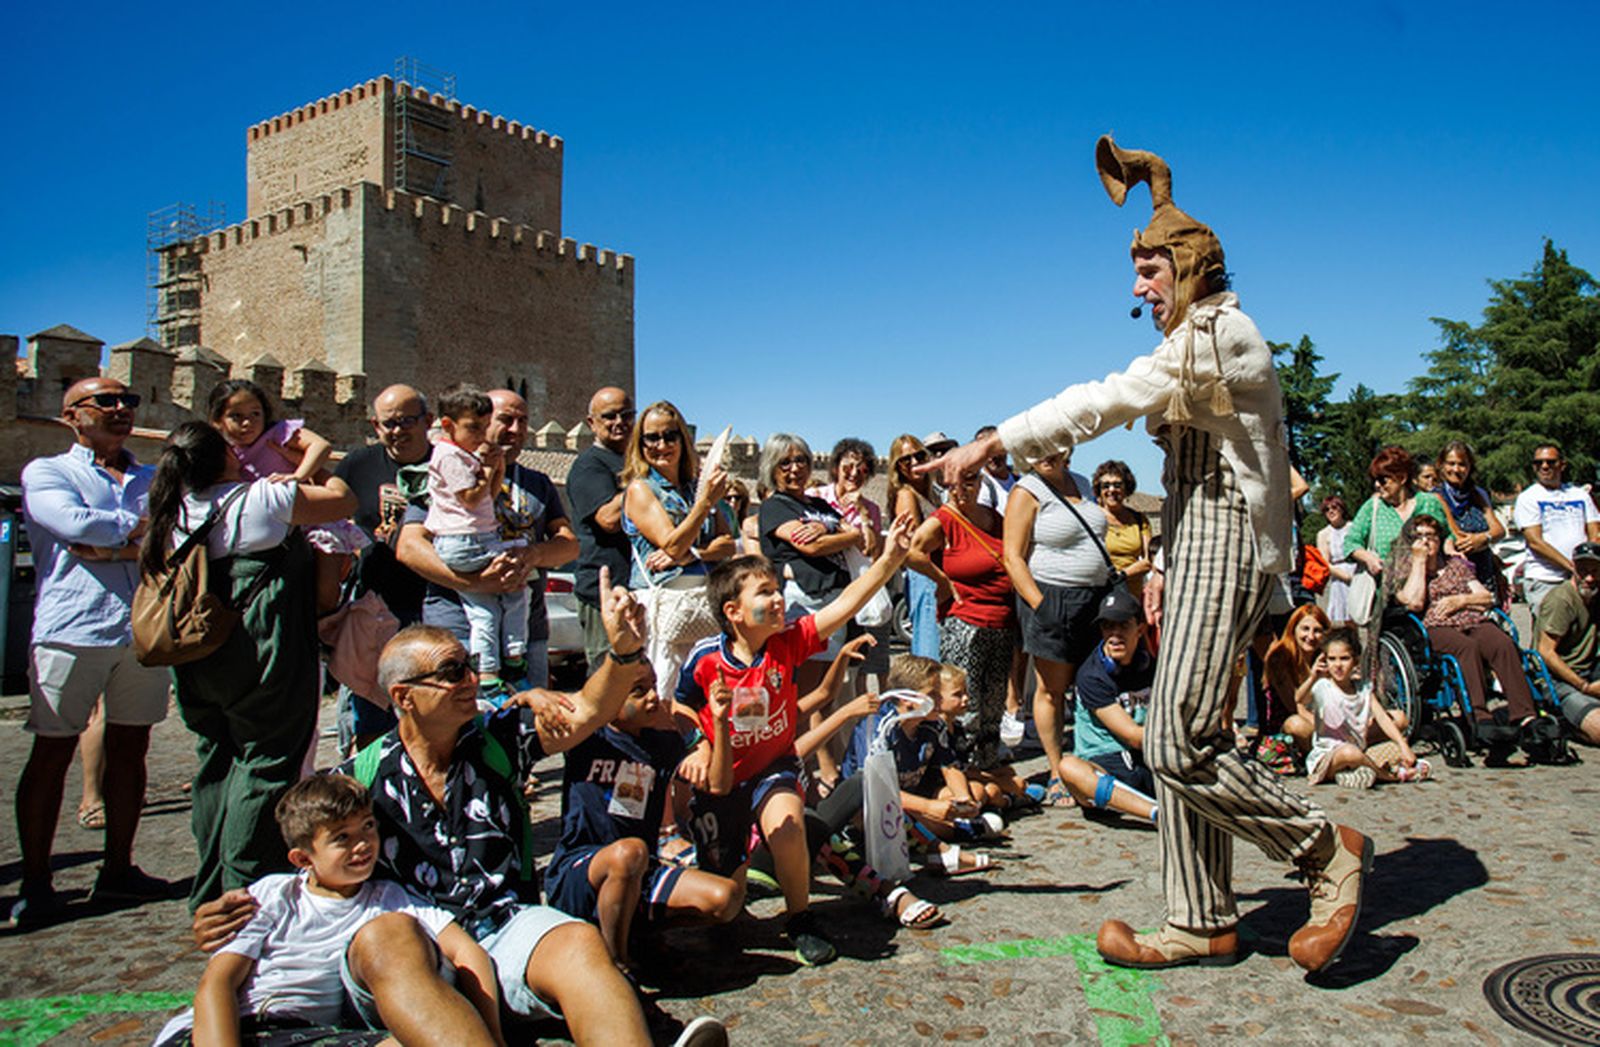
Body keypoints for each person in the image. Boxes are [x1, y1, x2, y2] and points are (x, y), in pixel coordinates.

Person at [928, 136, 1367, 973]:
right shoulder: (1198, 338)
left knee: (1175, 741)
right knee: (1187, 730)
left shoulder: (1221, 333)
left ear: (1191, 267)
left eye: (1149, 272)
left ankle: (1325, 850)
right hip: (1195, 538)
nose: (1137, 288)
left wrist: (997, 441)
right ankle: (1200, 918)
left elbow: (1113, 396)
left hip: (1228, 540)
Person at [196, 573, 729, 1047]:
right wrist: (225, 912)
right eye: (451, 672)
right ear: (404, 696)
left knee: (577, 942)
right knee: (389, 940)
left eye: (470, 666)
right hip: (411, 951)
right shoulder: (358, 779)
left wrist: (624, 654)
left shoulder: (497, 740)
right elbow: (300, 864)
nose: (471, 680)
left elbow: (586, 712)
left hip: (502, 922)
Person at [676, 516, 912, 966]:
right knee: (725, 891)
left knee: (788, 827)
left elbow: (844, 605)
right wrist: (698, 746)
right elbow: (680, 706)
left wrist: (888, 559)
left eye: (776, 588)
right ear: (733, 612)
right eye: (764, 592)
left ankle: (800, 917)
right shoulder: (705, 659)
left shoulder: (788, 642)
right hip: (723, 779)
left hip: (775, 767)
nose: (778, 597)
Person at [142, 422, 358, 909]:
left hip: (199, 653)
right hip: (261, 645)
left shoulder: (172, 510)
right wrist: (309, 465)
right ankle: (244, 890)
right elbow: (343, 498)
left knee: (217, 760)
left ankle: (209, 885)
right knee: (267, 760)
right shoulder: (260, 499)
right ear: (220, 457)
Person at [157, 774, 502, 1047]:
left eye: (367, 827)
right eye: (342, 838)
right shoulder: (274, 894)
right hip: (235, 1026)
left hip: (308, 1034)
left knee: (425, 1038)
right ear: (303, 859)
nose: (362, 844)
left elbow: (466, 951)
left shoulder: (389, 898)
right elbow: (218, 984)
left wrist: (494, 1035)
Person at [13, 377, 174, 926]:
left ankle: (118, 870)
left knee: (132, 748)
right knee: (52, 752)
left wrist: (110, 546)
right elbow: (71, 524)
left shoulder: (153, 477)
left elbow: (175, 535)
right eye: (104, 402)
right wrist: (140, 537)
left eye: (128, 400)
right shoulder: (47, 471)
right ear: (71, 415)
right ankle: (36, 882)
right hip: (72, 629)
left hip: (142, 631)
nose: (121, 409)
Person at [545, 665, 743, 971]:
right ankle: (616, 967)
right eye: (639, 691)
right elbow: (523, 710)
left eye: (653, 686)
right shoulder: (586, 738)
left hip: (640, 871)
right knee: (629, 852)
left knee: (726, 898)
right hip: (581, 868)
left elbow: (720, 785)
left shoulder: (661, 744)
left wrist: (719, 723)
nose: (653, 697)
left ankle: (637, 932)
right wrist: (532, 696)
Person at [397, 388, 578, 691]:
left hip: (526, 636)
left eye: (523, 421)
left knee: (526, 730)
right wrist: (476, 583)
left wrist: (531, 556)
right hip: (456, 635)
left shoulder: (538, 483)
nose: (516, 430)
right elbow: (409, 547)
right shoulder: (444, 470)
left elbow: (569, 544)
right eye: (505, 420)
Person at [1001, 450, 1109, 804]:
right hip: (1051, 598)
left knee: (1095, 684)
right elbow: (1013, 557)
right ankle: (1057, 771)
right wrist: (1040, 605)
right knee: (1052, 689)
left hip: (1094, 599)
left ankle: (1093, 762)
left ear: (1070, 448)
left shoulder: (1081, 483)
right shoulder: (1027, 491)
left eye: (1057, 444)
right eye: (1039, 446)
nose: (1049, 453)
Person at [333, 384, 437, 749]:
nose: (397, 430)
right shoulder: (356, 465)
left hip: (435, 607)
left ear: (429, 421)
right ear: (375, 426)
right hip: (374, 613)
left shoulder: (447, 464)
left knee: (432, 712)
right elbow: (327, 520)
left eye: (407, 421)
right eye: (387, 423)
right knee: (370, 716)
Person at [208, 378, 369, 614]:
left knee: (325, 594)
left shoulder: (277, 433)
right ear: (217, 420)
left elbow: (321, 446)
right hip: (269, 531)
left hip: (308, 518)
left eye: (255, 414)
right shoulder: (224, 453)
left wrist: (299, 475)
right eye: (236, 416)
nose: (248, 423)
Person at [1392, 513, 1541, 751]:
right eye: (1419, 536)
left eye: (1431, 536)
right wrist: (1419, 562)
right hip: (1434, 626)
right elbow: (1415, 603)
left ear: (1440, 540)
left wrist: (1460, 600)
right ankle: (1480, 716)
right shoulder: (1404, 569)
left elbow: (1485, 597)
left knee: (1501, 642)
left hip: (1472, 618)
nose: (1426, 541)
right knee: (1465, 647)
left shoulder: (1456, 566)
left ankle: (1526, 716)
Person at [420, 384, 532, 699]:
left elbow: (488, 495)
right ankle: (510, 657)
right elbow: (471, 498)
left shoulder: (464, 455)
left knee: (487, 612)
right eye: (474, 428)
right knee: (516, 578)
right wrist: (485, 466)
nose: (481, 435)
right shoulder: (448, 455)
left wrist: (496, 468)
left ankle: (491, 671)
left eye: (483, 427)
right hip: (466, 542)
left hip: (476, 538)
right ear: (447, 425)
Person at [908, 468, 1017, 772]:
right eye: (952, 484)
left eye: (969, 482)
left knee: (993, 700)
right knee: (964, 701)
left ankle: (989, 763)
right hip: (965, 621)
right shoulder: (944, 520)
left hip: (1001, 620)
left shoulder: (993, 517)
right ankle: (962, 768)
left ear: (980, 482)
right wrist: (941, 580)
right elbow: (912, 552)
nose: (960, 490)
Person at [625, 401, 734, 694]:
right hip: (665, 607)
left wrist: (696, 553)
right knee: (665, 691)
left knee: (705, 694)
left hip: (702, 603)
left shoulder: (694, 486)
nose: (661, 445)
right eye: (652, 437)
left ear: (683, 440)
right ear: (640, 442)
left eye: (670, 436)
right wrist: (705, 505)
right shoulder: (641, 489)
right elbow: (671, 543)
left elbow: (728, 545)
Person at [1055, 589, 1160, 823]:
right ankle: (1155, 812)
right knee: (1069, 766)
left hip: (1145, 759)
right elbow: (1132, 735)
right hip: (1104, 764)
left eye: (1123, 625)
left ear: (1140, 630)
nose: (1114, 634)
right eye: (1107, 627)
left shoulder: (1151, 665)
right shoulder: (1092, 676)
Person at [1304, 630, 1428, 788]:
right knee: (1350, 753)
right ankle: (1389, 777)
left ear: (1355, 661)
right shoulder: (1322, 687)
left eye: (1344, 659)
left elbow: (1382, 717)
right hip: (1330, 756)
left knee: (1393, 748)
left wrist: (1404, 746)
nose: (1338, 665)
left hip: (1358, 748)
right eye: (1332, 659)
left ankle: (1356, 773)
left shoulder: (1364, 688)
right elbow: (1301, 699)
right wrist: (1313, 677)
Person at [567, 386, 636, 669]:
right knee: (608, 678)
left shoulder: (628, 462)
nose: (619, 422)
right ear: (591, 423)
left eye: (626, 414)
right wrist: (642, 485)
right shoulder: (589, 466)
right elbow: (608, 520)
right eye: (609, 416)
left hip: (634, 591)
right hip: (604, 595)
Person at [1514, 442, 1600, 617]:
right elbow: (1535, 542)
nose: (1545, 466)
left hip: (1583, 578)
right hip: (1546, 578)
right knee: (1551, 633)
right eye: (1539, 463)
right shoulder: (1528, 498)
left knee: (1584, 632)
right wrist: (1572, 566)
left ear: (1562, 464)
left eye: (1550, 462)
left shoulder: (1579, 494)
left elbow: (1594, 530)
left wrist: (1587, 566)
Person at [1535, 541, 1600, 744]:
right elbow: (1545, 652)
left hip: (1589, 668)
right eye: (1583, 571)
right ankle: (1568, 725)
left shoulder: (1596, 596)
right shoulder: (1562, 600)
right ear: (1574, 568)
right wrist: (1584, 686)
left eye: (1595, 571)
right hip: (1558, 679)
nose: (1589, 578)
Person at [885, 434, 942, 659]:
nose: (914, 462)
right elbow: (915, 545)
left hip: (932, 573)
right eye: (905, 459)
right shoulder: (906, 495)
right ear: (897, 467)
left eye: (919, 455)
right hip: (925, 575)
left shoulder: (931, 493)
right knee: (929, 650)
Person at [1258, 604, 1333, 771]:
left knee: (1399, 718)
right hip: (1289, 729)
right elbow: (1293, 707)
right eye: (1305, 629)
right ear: (1294, 629)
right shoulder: (1280, 657)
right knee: (1296, 724)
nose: (1311, 636)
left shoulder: (1328, 656)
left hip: (1327, 724)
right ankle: (1329, 760)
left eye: (1317, 630)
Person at [1436, 441, 1506, 600]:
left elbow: (1499, 530)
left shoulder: (1478, 495)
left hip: (1485, 572)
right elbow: (1459, 539)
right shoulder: (1435, 497)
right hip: (1455, 576)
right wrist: (1485, 539)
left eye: (1462, 464)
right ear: (1441, 465)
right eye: (1451, 463)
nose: (1456, 469)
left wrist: (1483, 538)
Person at [1093, 460, 1154, 597]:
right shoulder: (1091, 518)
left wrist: (1121, 576)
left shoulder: (1139, 520)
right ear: (1099, 490)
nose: (1111, 490)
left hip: (1131, 595)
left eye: (1117, 485)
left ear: (1126, 488)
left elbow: (1148, 560)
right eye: (1105, 486)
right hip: (1099, 594)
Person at [1316, 496, 1355, 625]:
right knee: (1346, 619)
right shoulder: (1323, 534)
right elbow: (1325, 563)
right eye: (1326, 509)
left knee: (1360, 615)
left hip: (1356, 571)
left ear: (1341, 509)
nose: (1331, 511)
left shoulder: (1353, 527)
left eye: (1334, 507)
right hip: (1339, 576)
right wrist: (1345, 576)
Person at [973, 425, 1017, 514]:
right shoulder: (980, 488)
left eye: (995, 449)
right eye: (986, 451)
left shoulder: (1020, 480)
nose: (992, 457)